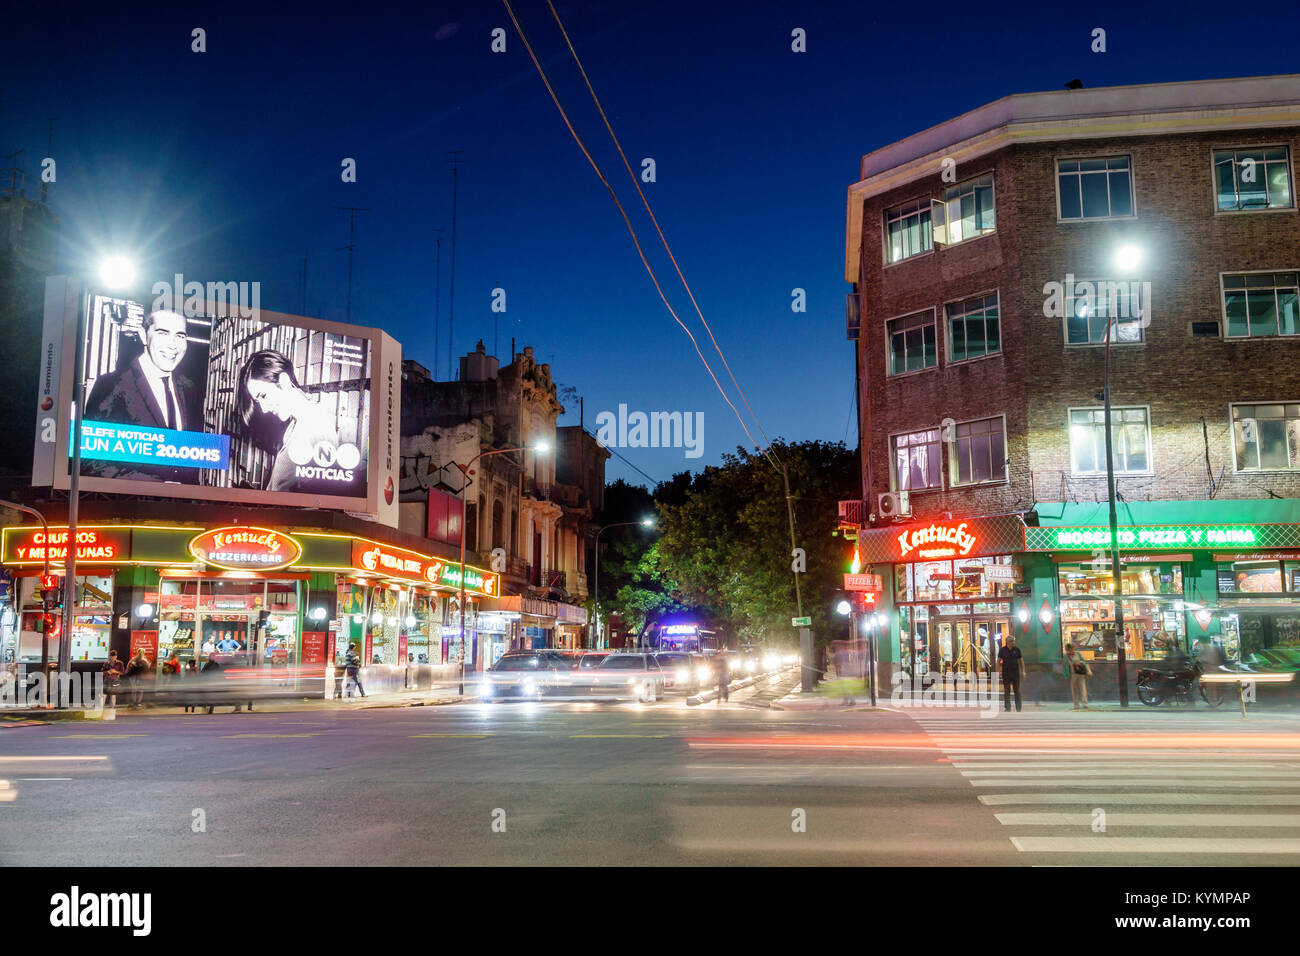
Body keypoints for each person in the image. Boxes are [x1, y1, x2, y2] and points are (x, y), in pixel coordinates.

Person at [83, 310, 203, 483]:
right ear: (143, 335)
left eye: (180, 336)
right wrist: (157, 486)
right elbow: (90, 463)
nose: (173, 345)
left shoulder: (189, 388)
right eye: (162, 333)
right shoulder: (112, 385)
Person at [237, 349, 360, 495]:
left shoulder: (311, 428)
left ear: (284, 381)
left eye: (263, 395)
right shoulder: (304, 419)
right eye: (258, 401)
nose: (263, 409)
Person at [997, 636, 1025, 713]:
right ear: (1008, 642)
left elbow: (1021, 661)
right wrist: (999, 671)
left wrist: (1023, 671)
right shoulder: (1002, 650)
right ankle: (1007, 708)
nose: (1013, 642)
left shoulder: (1017, 649)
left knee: (1017, 690)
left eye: (1014, 641)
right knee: (1007, 691)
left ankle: (1018, 708)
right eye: (1012, 641)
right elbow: (998, 661)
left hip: (1015, 673)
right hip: (1006, 673)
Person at [1064, 643, 1092, 710]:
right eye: (1069, 650)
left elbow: (1083, 661)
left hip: (1080, 673)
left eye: (1072, 649)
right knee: (1074, 689)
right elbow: (1065, 666)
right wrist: (1066, 676)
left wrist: (1079, 662)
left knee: (1083, 688)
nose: (1071, 651)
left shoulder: (1078, 653)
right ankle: (1076, 704)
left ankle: (1084, 703)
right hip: (1072, 674)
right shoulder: (1066, 656)